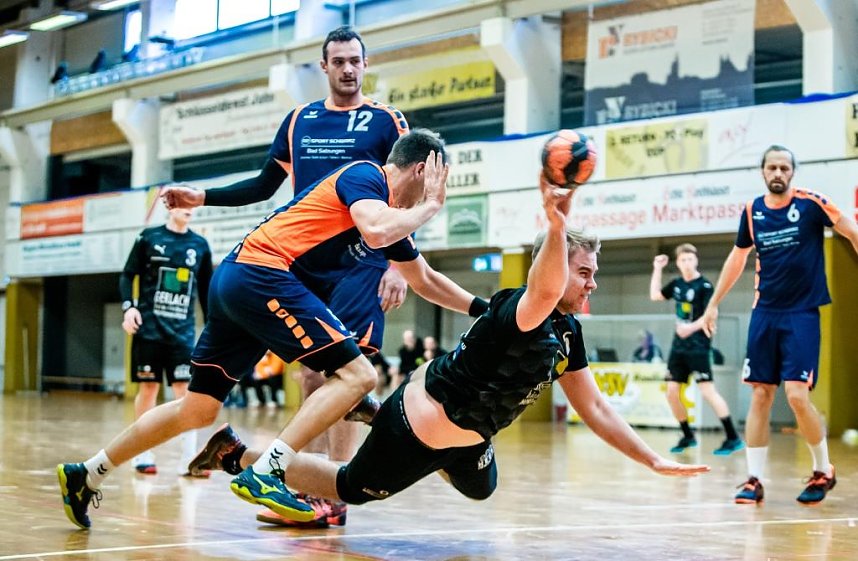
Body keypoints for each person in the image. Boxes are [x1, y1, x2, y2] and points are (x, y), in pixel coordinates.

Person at [188, 176, 710, 522]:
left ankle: (371, 412)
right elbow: (545, 287)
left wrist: (651, 459)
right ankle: (234, 452)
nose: (592, 283)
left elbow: (593, 406)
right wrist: (555, 223)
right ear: (550, 270)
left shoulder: (568, 332)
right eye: (585, 272)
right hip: (418, 423)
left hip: (468, 435)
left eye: (595, 273)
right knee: (348, 489)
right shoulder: (521, 311)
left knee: (483, 490)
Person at [57, 129, 487, 530]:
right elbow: (374, 229)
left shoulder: (389, 221)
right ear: (422, 170)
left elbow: (425, 280)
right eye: (437, 179)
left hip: (239, 281)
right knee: (359, 375)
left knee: (198, 410)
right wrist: (430, 207)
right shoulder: (365, 177)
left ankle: (87, 474)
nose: (435, 191)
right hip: (264, 274)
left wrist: (485, 310)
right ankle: (268, 471)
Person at [160, 26, 413, 527]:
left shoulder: (387, 120)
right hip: (306, 262)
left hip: (363, 260)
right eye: (338, 60)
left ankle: (335, 498)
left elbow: (408, 190)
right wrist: (203, 196)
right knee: (312, 373)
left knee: (350, 371)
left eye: (355, 61)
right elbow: (262, 184)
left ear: (365, 65)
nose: (347, 69)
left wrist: (397, 265)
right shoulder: (299, 120)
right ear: (323, 66)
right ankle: (302, 488)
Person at [702, 145, 858, 505]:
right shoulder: (753, 211)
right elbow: (737, 257)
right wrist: (713, 305)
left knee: (797, 397)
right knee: (760, 394)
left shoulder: (810, 204)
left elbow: (850, 230)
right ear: (762, 171)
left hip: (802, 313)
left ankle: (823, 470)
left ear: (792, 172)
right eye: (772, 167)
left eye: (784, 167)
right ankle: (753, 480)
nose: (778, 173)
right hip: (765, 313)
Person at [119, 205, 213, 476]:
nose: (189, 209)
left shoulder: (200, 245)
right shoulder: (148, 238)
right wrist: (129, 307)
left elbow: (207, 291)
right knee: (148, 390)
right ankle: (142, 452)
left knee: (186, 392)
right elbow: (127, 275)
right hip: (148, 331)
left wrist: (212, 328)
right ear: (170, 207)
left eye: (192, 204)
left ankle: (190, 458)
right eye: (182, 203)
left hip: (181, 335)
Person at [650, 244, 743, 455]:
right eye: (683, 260)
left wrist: (690, 329)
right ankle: (687, 435)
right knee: (671, 392)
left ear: (696, 261)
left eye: (690, 259)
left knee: (707, 391)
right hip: (678, 347)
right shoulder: (677, 284)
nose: (687, 263)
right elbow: (655, 295)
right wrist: (657, 267)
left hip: (698, 346)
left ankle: (732, 437)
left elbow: (712, 313)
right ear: (679, 263)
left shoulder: (705, 286)